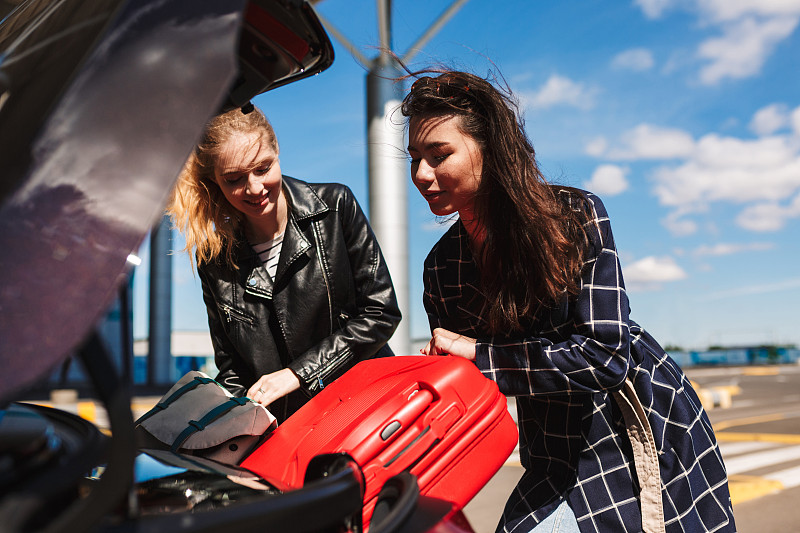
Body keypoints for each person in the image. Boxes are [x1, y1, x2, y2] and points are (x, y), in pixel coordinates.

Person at [402, 71, 735, 533]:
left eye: (439, 155)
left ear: (492, 149)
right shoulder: (442, 266)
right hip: (548, 444)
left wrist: (479, 356)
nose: (420, 174)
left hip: (634, 425)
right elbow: (470, 387)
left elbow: (605, 357)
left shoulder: (573, 216)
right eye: (414, 158)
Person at [168, 105, 401, 423]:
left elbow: (380, 313)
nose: (254, 189)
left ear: (277, 150)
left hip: (366, 410)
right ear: (215, 182)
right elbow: (231, 369)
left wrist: (297, 374)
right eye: (234, 179)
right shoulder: (214, 259)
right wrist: (242, 427)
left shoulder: (333, 207)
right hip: (284, 432)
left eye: (262, 168)